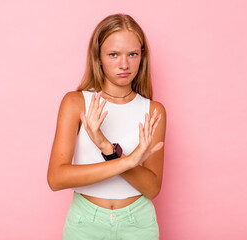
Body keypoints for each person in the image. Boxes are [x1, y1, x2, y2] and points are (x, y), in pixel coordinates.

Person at [47, 13, 166, 240]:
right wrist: (127, 162)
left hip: (138, 224)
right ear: (98, 57)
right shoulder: (75, 103)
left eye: (132, 54)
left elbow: (152, 188)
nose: (124, 64)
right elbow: (56, 178)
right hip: (85, 223)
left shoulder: (154, 111)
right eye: (113, 54)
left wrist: (109, 150)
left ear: (142, 56)